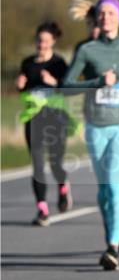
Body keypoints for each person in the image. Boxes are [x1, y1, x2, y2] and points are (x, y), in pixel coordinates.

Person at [63, 0, 119, 269]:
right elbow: (66, 85)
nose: (106, 17)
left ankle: (111, 247)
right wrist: (98, 82)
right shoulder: (87, 50)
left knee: (114, 184)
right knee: (103, 190)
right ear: (97, 18)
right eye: (102, 13)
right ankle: (116, 235)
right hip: (96, 126)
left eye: (111, 12)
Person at [16, 22, 73, 225]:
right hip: (34, 119)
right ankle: (42, 208)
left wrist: (54, 83)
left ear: (53, 42)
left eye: (46, 41)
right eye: (40, 40)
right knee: (37, 164)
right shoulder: (27, 63)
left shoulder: (58, 64)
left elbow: (68, 88)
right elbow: (25, 92)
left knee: (56, 162)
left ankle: (62, 185)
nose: (42, 44)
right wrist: (20, 87)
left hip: (56, 118)